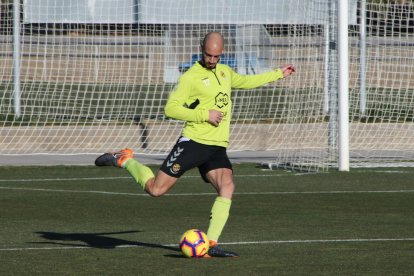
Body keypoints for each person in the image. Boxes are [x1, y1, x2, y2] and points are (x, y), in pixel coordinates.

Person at [95, 31, 295, 257]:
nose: (211, 60)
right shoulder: (190, 76)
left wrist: (278, 73)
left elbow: (247, 82)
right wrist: (204, 114)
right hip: (194, 143)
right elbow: (170, 109)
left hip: (217, 146)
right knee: (156, 190)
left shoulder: (224, 71)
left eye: (216, 56)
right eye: (208, 55)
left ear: (222, 53)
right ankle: (125, 160)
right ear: (202, 48)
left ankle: (210, 244)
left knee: (227, 186)